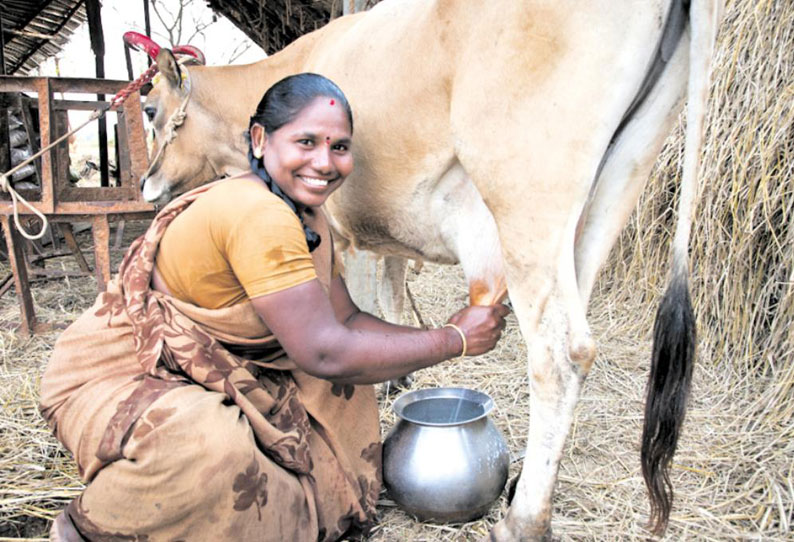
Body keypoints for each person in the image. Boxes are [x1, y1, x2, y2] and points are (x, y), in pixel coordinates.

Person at [40, 73, 508, 542]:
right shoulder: (258, 213)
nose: (324, 163)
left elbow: (344, 320)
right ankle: (88, 528)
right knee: (213, 449)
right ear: (260, 140)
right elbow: (323, 351)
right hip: (125, 375)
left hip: (219, 372)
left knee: (340, 393)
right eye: (306, 142)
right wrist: (454, 342)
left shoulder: (305, 214)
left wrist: (452, 330)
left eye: (339, 147)